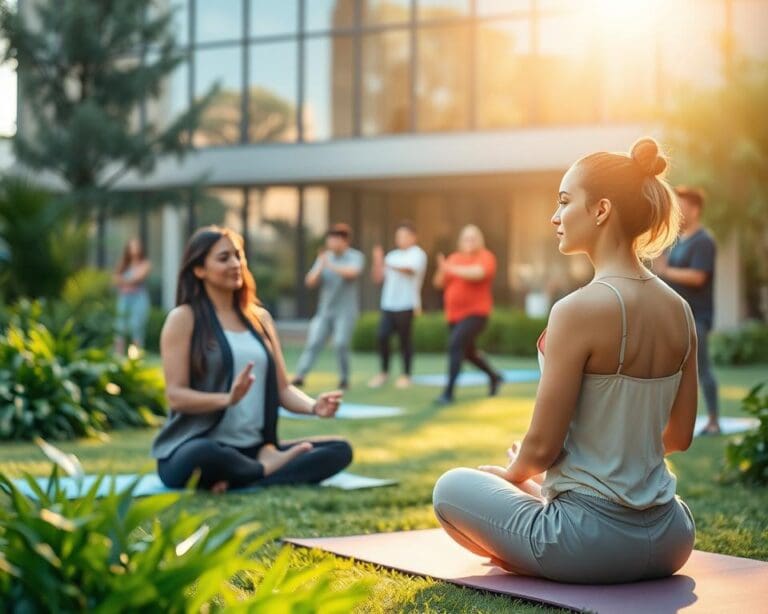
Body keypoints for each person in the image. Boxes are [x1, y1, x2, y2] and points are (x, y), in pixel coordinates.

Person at [433, 138, 698, 584]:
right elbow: (678, 437)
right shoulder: (680, 309)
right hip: (672, 536)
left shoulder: (576, 310)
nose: (554, 217)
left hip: (589, 542)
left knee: (451, 489)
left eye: (564, 201)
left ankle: (534, 553)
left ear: (601, 210)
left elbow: (541, 448)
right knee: (538, 489)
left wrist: (514, 474)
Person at [151, 226, 352, 492]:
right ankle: (262, 470)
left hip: (253, 449)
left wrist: (314, 407)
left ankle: (241, 475)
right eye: (224, 258)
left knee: (339, 450)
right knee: (202, 454)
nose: (235, 264)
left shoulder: (260, 319)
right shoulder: (183, 318)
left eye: (238, 256)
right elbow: (176, 396)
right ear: (199, 270)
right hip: (198, 446)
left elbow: (283, 389)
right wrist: (227, 399)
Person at [656, 187, 720, 435]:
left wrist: (666, 271)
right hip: (674, 318)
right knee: (670, 371)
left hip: (697, 317)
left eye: (681, 208)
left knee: (702, 369)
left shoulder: (704, 241)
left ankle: (713, 421)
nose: (678, 214)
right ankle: (671, 423)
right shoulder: (677, 241)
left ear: (695, 210)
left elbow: (698, 277)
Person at [432, 224, 502, 404]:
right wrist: (442, 269)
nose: (469, 241)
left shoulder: (486, 257)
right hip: (454, 316)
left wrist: (450, 268)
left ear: (480, 240)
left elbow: (478, 273)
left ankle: (448, 393)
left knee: (455, 345)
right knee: (468, 353)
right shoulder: (455, 258)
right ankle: (494, 377)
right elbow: (438, 283)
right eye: (466, 238)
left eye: (473, 238)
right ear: (460, 241)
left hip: (476, 313)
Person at [291, 223, 365, 390]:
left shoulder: (355, 256)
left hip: (345, 312)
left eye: (335, 240)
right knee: (313, 342)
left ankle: (344, 379)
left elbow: (352, 273)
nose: (331, 243)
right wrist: (321, 266)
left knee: (341, 344)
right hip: (324, 311)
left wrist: (329, 265)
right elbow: (310, 282)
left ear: (345, 241)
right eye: (330, 240)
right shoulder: (324, 258)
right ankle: (300, 375)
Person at [368, 221, 428, 389]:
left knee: (405, 340)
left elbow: (409, 269)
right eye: (398, 236)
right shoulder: (392, 256)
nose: (401, 239)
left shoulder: (417, 254)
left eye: (404, 236)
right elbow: (378, 278)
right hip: (388, 304)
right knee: (382, 336)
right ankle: (384, 372)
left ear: (413, 237)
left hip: (407, 304)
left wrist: (386, 262)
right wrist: (377, 261)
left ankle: (406, 375)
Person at [113, 238, 151, 354]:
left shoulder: (145, 264)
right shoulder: (123, 264)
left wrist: (123, 280)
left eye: (137, 246)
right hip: (124, 298)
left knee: (137, 327)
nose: (135, 248)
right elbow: (115, 280)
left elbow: (137, 279)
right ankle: (118, 357)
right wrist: (127, 280)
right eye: (132, 246)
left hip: (138, 298)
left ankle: (135, 357)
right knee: (119, 327)